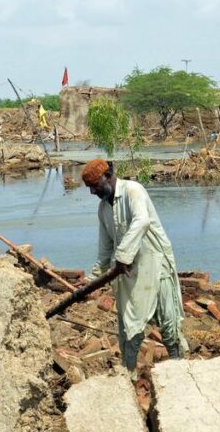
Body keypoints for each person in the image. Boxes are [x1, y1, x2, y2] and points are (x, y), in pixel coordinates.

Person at [81, 158, 188, 379]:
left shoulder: (133, 191)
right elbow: (104, 250)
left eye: (95, 186)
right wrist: (91, 280)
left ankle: (180, 373)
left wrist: (122, 256)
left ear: (108, 177)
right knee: (129, 328)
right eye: (89, 188)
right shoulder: (103, 210)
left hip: (156, 264)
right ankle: (127, 378)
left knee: (169, 323)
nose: (92, 192)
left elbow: (142, 221)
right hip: (130, 272)